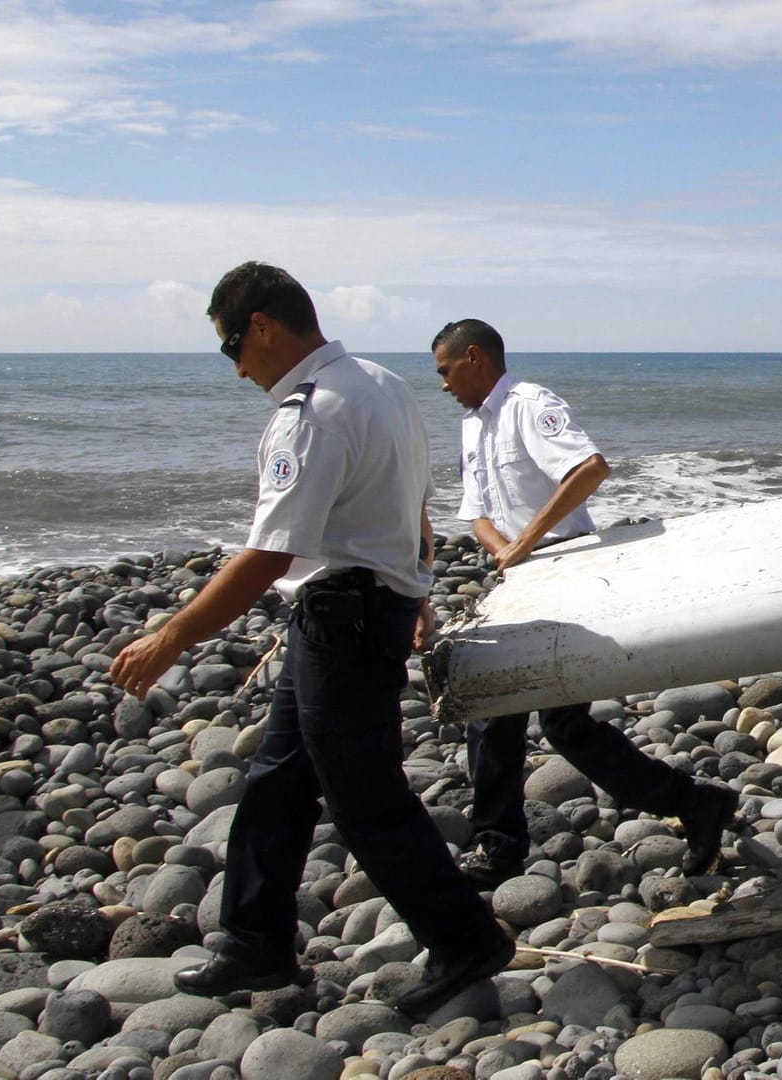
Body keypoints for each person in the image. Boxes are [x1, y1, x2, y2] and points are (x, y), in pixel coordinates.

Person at [111, 263, 513, 1015]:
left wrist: (173, 636)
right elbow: (409, 497)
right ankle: (254, 941)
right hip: (354, 608)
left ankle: (464, 936)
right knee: (279, 780)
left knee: (363, 796)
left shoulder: (314, 409)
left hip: (344, 617)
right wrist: (414, 585)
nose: (236, 369)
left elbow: (267, 556)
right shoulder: (381, 384)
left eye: (233, 346)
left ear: (262, 325)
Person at [431, 319, 739, 884]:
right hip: (517, 575)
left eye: (445, 371)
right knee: (506, 713)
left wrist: (525, 543)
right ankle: (503, 842)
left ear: (473, 357)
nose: (443, 385)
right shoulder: (472, 427)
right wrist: (505, 551)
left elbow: (588, 468)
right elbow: (476, 510)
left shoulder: (529, 404)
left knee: (551, 719)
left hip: (565, 566)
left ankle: (502, 845)